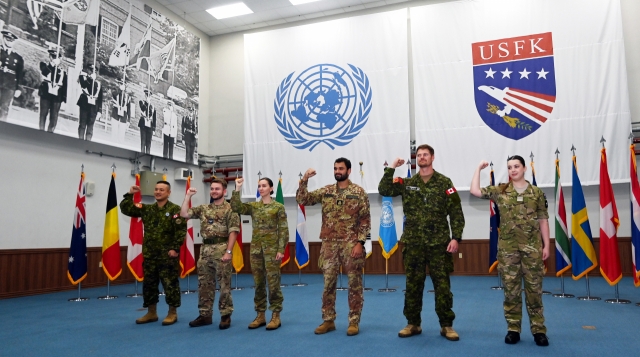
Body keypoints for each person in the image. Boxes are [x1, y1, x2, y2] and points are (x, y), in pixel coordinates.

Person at [378, 144, 464, 341]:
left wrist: (456, 237)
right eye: (419, 155)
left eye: (426, 154)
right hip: (414, 243)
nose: (422, 157)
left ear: (432, 157)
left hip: (439, 244)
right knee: (413, 285)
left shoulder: (444, 182)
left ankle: (446, 325)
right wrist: (392, 167)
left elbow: (456, 212)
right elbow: (384, 189)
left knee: (442, 286)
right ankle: (413, 323)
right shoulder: (407, 183)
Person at [470, 155, 550, 346]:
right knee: (511, 291)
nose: (513, 170)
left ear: (524, 169)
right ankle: (513, 329)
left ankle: (539, 330)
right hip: (508, 250)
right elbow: (474, 191)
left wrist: (546, 245)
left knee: (534, 291)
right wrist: (478, 169)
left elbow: (543, 220)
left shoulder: (536, 192)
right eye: (509, 167)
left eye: (516, 166)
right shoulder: (501, 191)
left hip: (532, 250)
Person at [296, 158, 370, 336]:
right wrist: (304, 179)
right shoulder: (327, 191)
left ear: (349, 171)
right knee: (328, 284)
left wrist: (360, 243)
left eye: (341, 168)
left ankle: (354, 321)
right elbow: (303, 199)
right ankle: (328, 320)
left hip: (351, 244)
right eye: (335, 168)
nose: (338, 171)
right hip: (329, 245)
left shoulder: (358, 192)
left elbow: (365, 220)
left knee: (354, 284)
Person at [120, 181, 186, 326]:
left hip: (167, 255)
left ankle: (172, 312)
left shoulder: (175, 210)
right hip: (150, 254)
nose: (158, 192)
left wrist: (175, 248)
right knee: (149, 284)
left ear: (168, 193)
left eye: (162, 190)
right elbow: (126, 209)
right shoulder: (147, 209)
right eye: (156, 189)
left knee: (170, 284)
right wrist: (130, 194)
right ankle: (151, 312)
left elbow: (180, 231)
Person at [180, 178, 240, 329]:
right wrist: (188, 196)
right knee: (204, 284)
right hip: (205, 250)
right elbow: (184, 214)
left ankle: (225, 315)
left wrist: (228, 252)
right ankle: (205, 315)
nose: (214, 191)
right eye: (212, 189)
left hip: (221, 248)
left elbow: (233, 232)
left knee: (224, 284)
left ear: (224, 191)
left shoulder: (231, 209)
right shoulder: (204, 208)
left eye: (217, 189)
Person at [231, 176, 288, 331]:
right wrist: (237, 189)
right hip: (256, 250)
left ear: (271, 188)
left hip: (272, 251)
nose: (261, 188)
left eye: (264, 186)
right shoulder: (254, 207)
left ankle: (276, 315)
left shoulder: (278, 207)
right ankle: (260, 314)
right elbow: (236, 208)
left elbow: (283, 230)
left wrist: (281, 250)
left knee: (273, 283)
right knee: (258, 283)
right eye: (259, 186)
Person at [38, 48, 67, 132]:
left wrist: (64, 99)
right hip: (46, 94)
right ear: (49, 56)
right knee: (43, 115)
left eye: (56, 57)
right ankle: (41, 132)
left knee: (54, 118)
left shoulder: (62, 72)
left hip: (57, 97)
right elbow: (45, 72)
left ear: (60, 59)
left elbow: (65, 86)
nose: (54, 58)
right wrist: (52, 64)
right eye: (53, 56)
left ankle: (50, 133)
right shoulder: (44, 65)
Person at [0, 30, 24, 121]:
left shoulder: (18, 58)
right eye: (7, 39)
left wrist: (18, 88)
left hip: (10, 86)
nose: (9, 41)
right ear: (3, 38)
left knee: (4, 108)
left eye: (11, 40)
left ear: (14, 42)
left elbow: (19, 75)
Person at [76, 64, 103, 141]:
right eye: (91, 70)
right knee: (82, 125)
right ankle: (80, 141)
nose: (92, 72)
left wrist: (100, 110)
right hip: (84, 104)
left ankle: (88, 142)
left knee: (90, 127)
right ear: (88, 70)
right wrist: (90, 79)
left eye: (94, 71)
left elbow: (100, 98)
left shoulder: (98, 83)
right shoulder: (83, 78)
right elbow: (84, 86)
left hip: (94, 106)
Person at [138, 89, 156, 154]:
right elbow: (143, 108)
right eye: (146, 95)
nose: (147, 97)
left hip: (150, 126)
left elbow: (154, 118)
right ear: (145, 95)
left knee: (148, 144)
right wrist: (146, 103)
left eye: (149, 96)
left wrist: (154, 129)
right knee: (143, 143)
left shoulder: (152, 106)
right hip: (143, 125)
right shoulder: (141, 102)